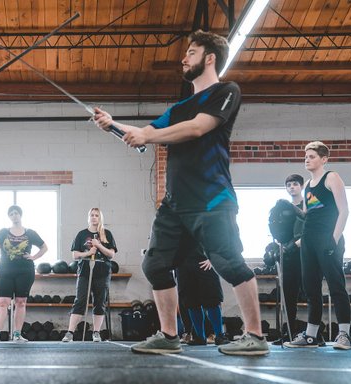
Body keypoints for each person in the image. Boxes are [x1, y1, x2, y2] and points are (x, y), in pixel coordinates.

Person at [93, 30, 268, 356]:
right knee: (155, 265)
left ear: (209, 57)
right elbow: (145, 133)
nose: (184, 58)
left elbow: (198, 128)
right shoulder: (178, 108)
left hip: (212, 198)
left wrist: (146, 136)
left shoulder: (225, 92)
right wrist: (114, 125)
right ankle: (169, 335)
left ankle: (255, 336)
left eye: (191, 52)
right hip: (176, 204)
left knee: (229, 264)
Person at [285, 141, 351, 350]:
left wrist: (333, 239)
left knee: (336, 287)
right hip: (309, 240)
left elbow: (344, 211)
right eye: (305, 156)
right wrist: (288, 211)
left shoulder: (331, 177)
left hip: (328, 239)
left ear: (324, 159)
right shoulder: (306, 185)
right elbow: (308, 215)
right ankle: (311, 336)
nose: (307, 159)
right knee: (311, 288)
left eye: (312, 156)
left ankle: (344, 335)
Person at [0, 205, 48, 342]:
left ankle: (17, 334)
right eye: (11, 214)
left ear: (20, 215)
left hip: (25, 271)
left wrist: (34, 257)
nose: (14, 215)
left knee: (21, 302)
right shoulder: (3, 232)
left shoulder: (30, 233)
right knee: (2, 302)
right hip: (6, 270)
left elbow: (44, 247)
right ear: (9, 217)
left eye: (16, 213)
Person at [269, 174, 313, 345]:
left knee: (311, 293)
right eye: (289, 184)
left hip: (306, 254)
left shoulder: (308, 204)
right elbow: (276, 229)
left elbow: (311, 227)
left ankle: (313, 332)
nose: (292, 187)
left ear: (301, 186)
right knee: (288, 295)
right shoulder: (282, 208)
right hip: (287, 255)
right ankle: (288, 332)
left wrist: (296, 244)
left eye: (295, 184)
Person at [62, 208, 117, 342]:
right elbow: (75, 255)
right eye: (92, 215)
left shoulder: (106, 234)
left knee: (99, 302)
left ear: (100, 218)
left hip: (102, 271)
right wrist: (88, 253)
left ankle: (96, 332)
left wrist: (99, 245)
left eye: (96, 215)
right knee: (80, 301)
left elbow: (111, 254)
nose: (94, 217)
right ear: (88, 217)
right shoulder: (81, 234)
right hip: (85, 271)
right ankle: (70, 333)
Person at [175, 246, 229, 346]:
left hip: (203, 262)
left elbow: (217, 237)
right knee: (191, 302)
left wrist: (213, 258)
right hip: (183, 265)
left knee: (212, 300)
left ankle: (219, 336)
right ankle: (200, 337)